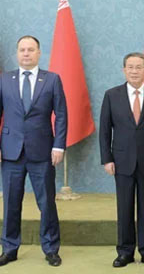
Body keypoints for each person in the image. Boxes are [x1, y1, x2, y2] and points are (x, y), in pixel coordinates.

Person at [99, 52, 144, 268]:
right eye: (130, 67)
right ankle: (125, 252)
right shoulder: (112, 95)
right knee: (124, 208)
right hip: (121, 161)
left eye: (138, 67)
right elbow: (104, 131)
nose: (134, 71)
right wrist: (107, 159)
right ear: (124, 70)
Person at [0, 35, 66, 267]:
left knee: (47, 202)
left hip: (43, 152)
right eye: (22, 50)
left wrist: (58, 145)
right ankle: (9, 248)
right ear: (17, 54)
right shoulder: (4, 80)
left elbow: (61, 115)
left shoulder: (52, 80)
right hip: (10, 153)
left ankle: (50, 248)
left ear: (39, 53)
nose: (26, 54)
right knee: (10, 203)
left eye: (31, 50)